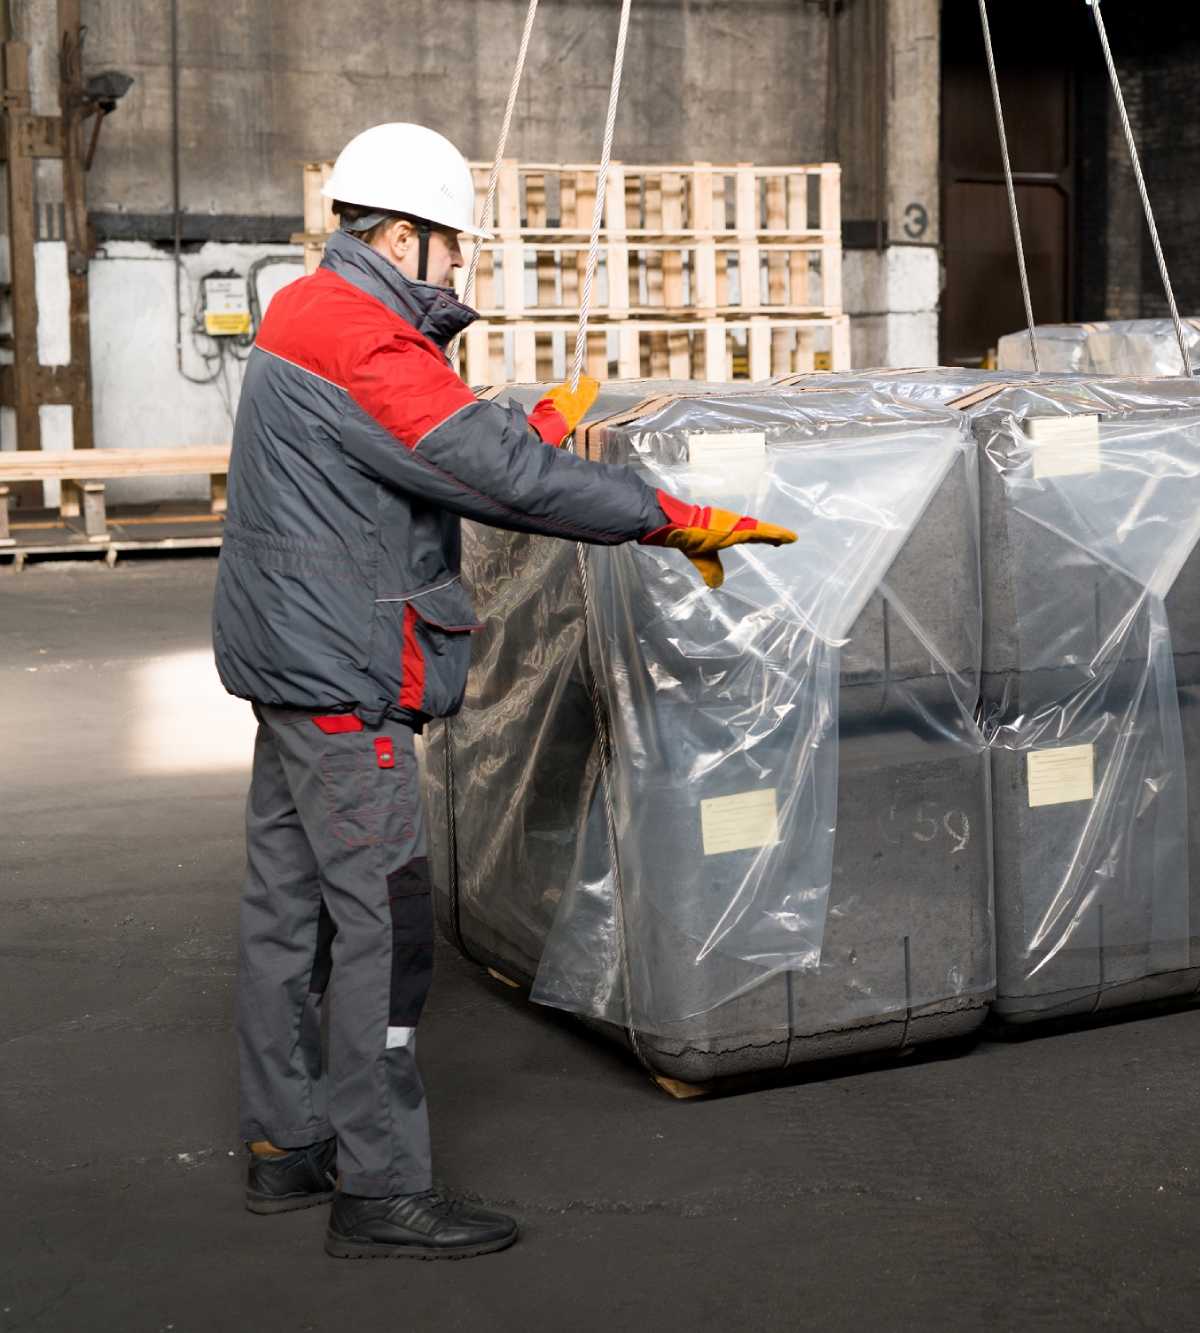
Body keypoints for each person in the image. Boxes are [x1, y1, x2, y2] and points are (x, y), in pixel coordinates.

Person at [213, 122, 796, 1258]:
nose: (457, 267)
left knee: (286, 916)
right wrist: (666, 516)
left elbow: (412, 453)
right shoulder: (360, 336)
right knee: (382, 924)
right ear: (397, 234)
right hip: (346, 674)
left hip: (290, 663)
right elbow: (493, 478)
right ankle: (381, 1190)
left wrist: (518, 427)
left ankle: (287, 1144)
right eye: (449, 246)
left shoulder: (306, 310)